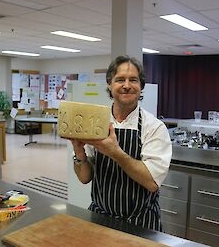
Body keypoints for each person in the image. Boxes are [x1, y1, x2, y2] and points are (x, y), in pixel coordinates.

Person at [70, 55, 172, 231]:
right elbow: (84, 178)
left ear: (141, 86)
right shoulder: (97, 122)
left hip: (141, 223)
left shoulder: (154, 127)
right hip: (99, 219)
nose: (126, 85)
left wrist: (115, 153)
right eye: (120, 80)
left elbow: (152, 182)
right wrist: (80, 154)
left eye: (133, 80)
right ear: (110, 84)